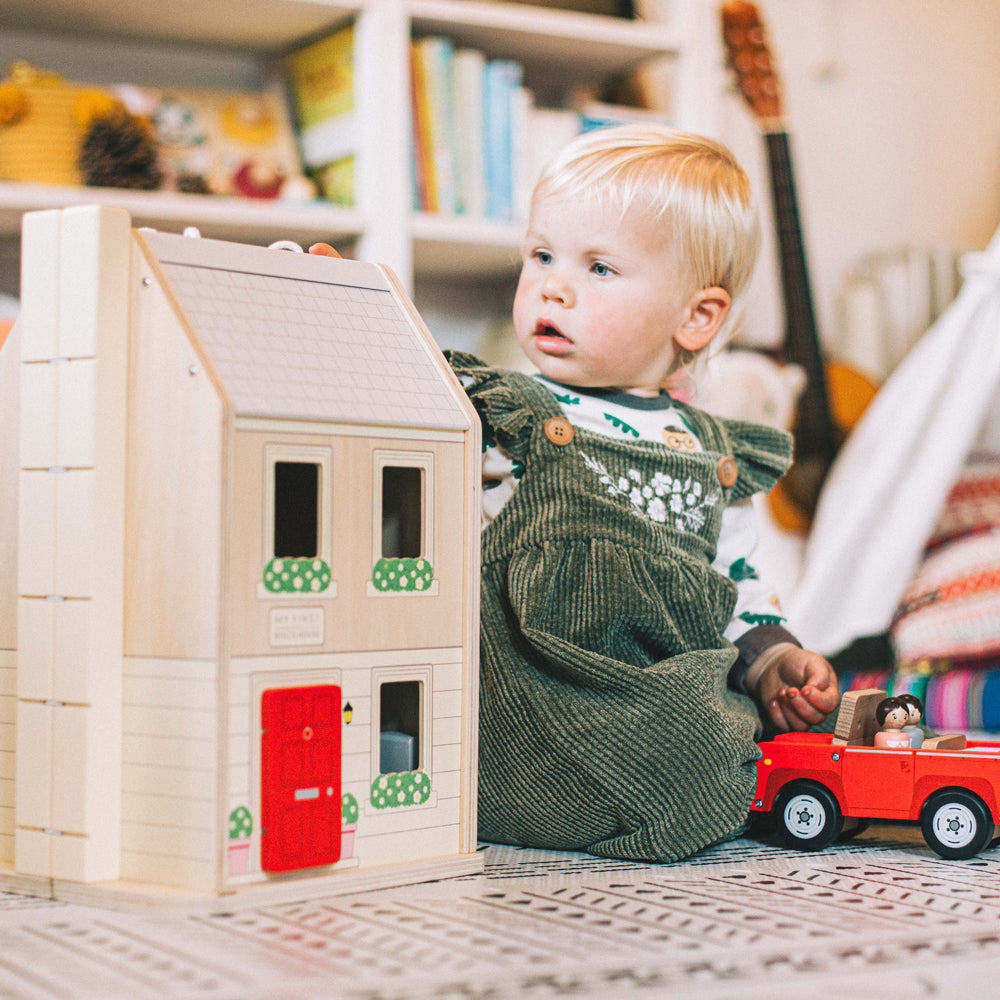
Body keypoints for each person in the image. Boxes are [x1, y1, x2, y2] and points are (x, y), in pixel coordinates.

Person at [311, 123, 839, 862]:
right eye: (542, 255)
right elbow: (408, 398)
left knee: (709, 736)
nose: (553, 284)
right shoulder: (501, 406)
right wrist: (351, 316)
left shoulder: (708, 452)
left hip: (648, 688)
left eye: (599, 268)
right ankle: (527, 794)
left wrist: (774, 661)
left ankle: (658, 788)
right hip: (522, 683)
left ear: (697, 316)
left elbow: (738, 580)